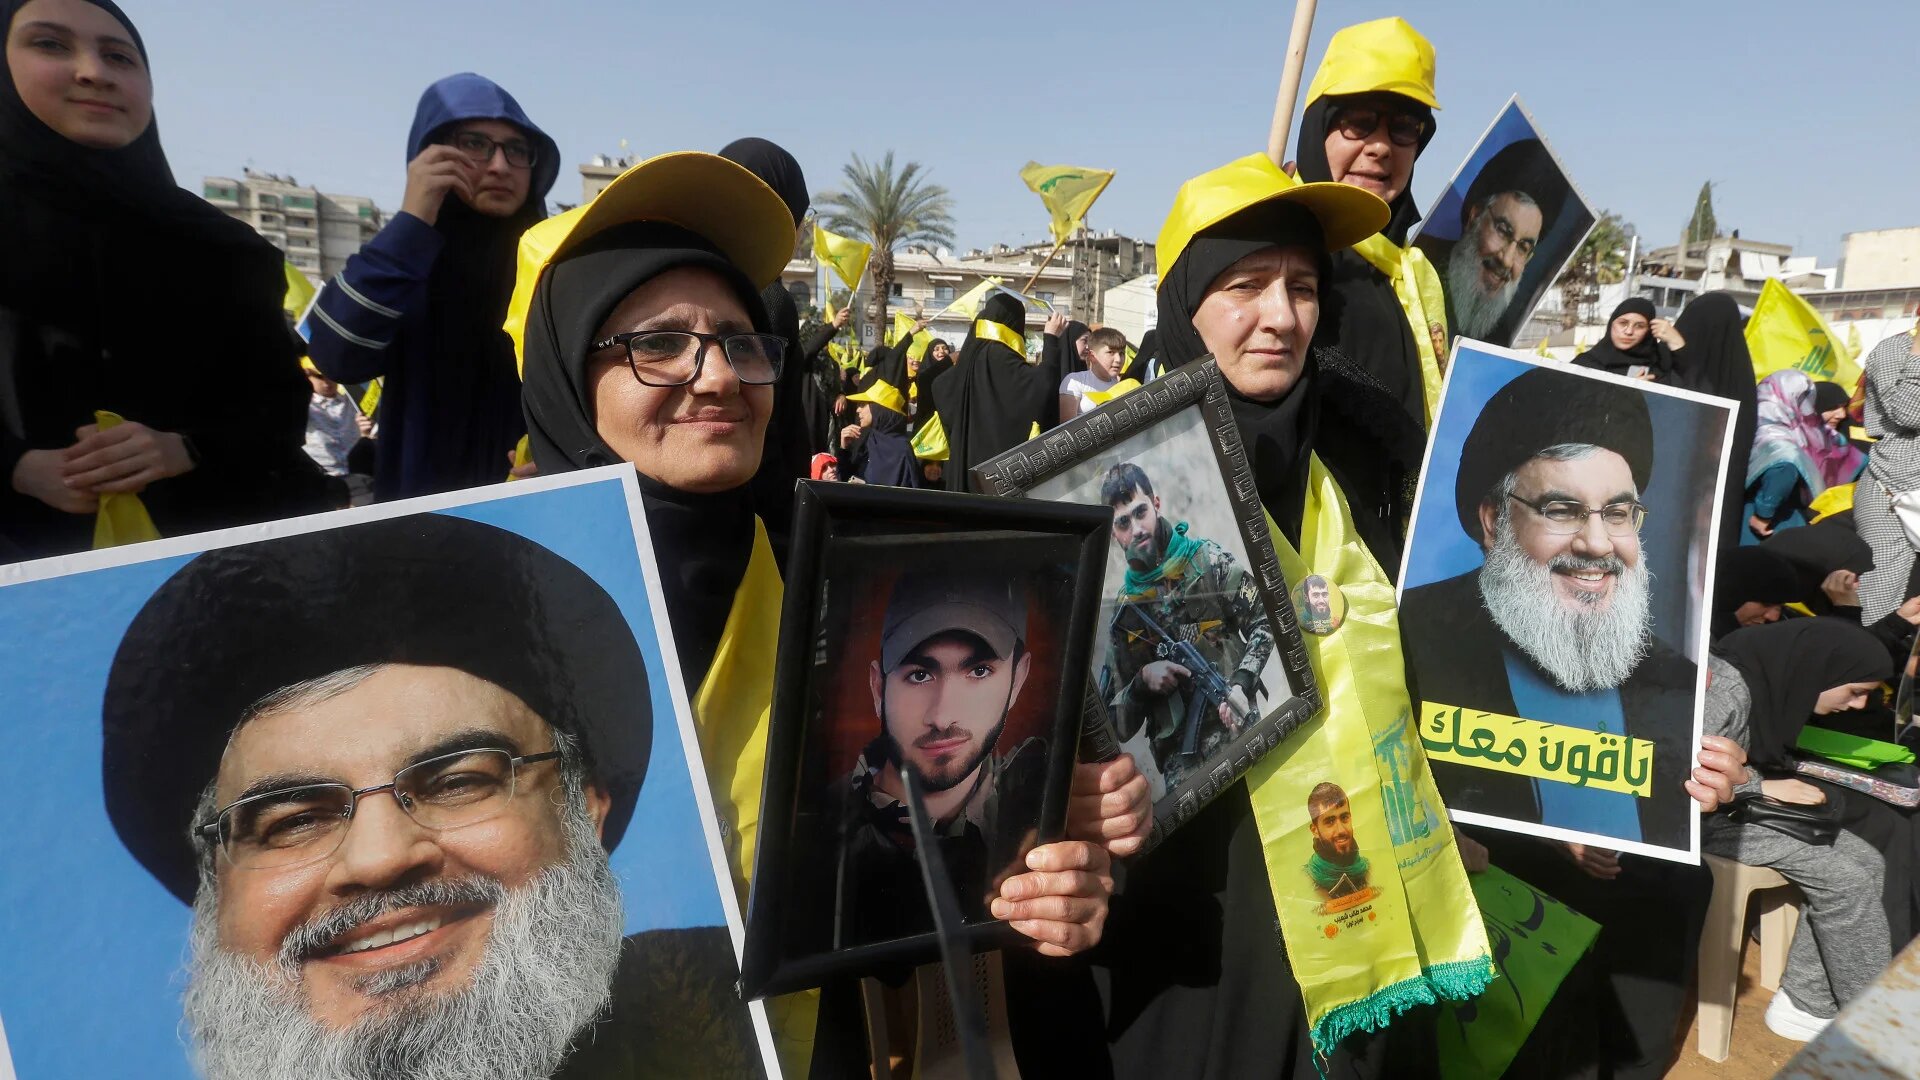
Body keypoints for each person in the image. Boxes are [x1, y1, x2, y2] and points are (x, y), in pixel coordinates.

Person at [508, 151, 1141, 1075]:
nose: (717, 376)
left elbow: (913, 892)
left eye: (740, 340)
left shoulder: (853, 600)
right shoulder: (469, 635)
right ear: (569, 373)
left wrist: (1046, 887)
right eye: (657, 343)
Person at [1065, 154, 1498, 1080]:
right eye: (1244, 285)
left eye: (1303, 286)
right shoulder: (1096, 486)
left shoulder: (1375, 463)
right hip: (1198, 931)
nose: (1282, 316)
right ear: (1185, 306)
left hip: (1367, 905)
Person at [101, 514, 760, 1078]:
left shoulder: (740, 1011)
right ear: (215, 892)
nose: (380, 858)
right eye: (294, 820)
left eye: (457, 781)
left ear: (583, 803)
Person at [2, 0, 325, 559]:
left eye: (119, 56)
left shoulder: (224, 248)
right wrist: (16, 467)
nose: (94, 72)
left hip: (218, 567)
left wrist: (188, 449)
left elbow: (278, 410)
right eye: (51, 45)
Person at [1397, 368, 1696, 849]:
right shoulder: (1406, 636)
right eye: (1561, 510)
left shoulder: (1676, 681)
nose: (1598, 544)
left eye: (1618, 514)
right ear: (1495, 522)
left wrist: (1714, 786)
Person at [306, 73, 557, 502]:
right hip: (423, 517)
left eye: (517, 150)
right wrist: (412, 219)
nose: (499, 165)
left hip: (540, 504)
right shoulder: (405, 260)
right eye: (476, 144)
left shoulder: (555, 261)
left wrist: (571, 456)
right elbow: (335, 353)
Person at [834, 571, 1047, 947]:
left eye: (979, 671)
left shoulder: (1042, 819)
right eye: (919, 675)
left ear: (1018, 680)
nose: (943, 715)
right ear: (878, 687)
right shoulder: (812, 829)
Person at [1705, 618, 1894, 1041]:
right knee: (1846, 880)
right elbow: (1678, 772)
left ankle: (1807, 1003)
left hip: (1737, 810)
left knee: (1868, 860)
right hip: (1708, 822)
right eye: (1856, 691)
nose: (1860, 705)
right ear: (1822, 669)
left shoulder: (1768, 677)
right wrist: (1759, 784)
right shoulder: (1727, 690)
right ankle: (1875, 1031)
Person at [1291, 15, 1449, 429]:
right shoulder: (1270, 249)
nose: (1380, 147)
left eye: (1402, 128)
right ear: (1318, 128)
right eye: (1358, 122)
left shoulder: (1415, 273)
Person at [1101, 461, 1272, 792]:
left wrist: (1240, 684)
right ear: (1113, 533)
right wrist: (1141, 683)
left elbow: (1264, 621)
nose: (1135, 529)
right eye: (1123, 522)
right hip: (1183, 767)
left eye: (1140, 512)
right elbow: (1112, 723)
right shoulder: (1125, 616)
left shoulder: (1206, 560)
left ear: (1156, 504)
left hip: (1239, 724)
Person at [1415, 138, 1568, 342]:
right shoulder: (1413, 269)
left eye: (1523, 247)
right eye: (1503, 230)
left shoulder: (1500, 336)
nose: (1506, 260)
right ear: (1475, 216)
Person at [931, 292, 1059, 490]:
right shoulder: (1000, 355)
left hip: (965, 461)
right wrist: (1051, 339)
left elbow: (939, 385)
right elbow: (1041, 386)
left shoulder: (973, 353)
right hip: (993, 468)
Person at [1746, 370, 1866, 541]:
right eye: (1803, 399)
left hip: (1767, 525)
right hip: (1797, 526)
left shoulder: (1777, 435)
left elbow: (1784, 466)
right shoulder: (1807, 434)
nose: (1841, 414)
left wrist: (1763, 514)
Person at [838, 344, 923, 488]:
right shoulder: (869, 440)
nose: (858, 410)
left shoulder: (901, 450)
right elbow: (844, 483)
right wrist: (844, 449)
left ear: (879, 410)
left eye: (863, 405)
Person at [1572, 297, 1686, 383]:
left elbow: (1688, 385)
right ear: (1611, 324)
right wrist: (1625, 391)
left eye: (1639, 326)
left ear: (1649, 331)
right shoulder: (1585, 364)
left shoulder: (1660, 364)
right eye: (1623, 323)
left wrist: (1676, 342)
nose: (1629, 331)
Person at [1304, 782, 1370, 901]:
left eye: (1344, 818)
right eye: (1329, 821)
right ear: (1315, 830)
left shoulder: (1369, 870)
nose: (1341, 830)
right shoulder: (1306, 880)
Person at [1058, 327, 1130, 421]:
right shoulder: (1076, 381)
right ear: (1092, 356)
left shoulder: (1122, 385)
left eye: (1121, 353)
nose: (1118, 359)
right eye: (1110, 352)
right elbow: (1066, 428)